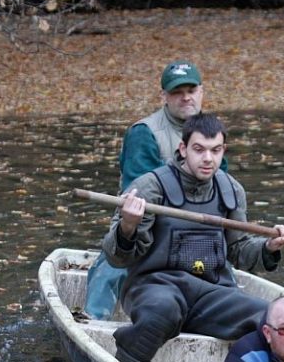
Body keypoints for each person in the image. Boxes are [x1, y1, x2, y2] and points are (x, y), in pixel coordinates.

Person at [102, 113, 284, 362]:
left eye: (215, 150)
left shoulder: (231, 190)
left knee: (270, 320)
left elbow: (240, 251)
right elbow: (118, 259)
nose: (208, 158)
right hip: (155, 286)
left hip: (212, 292)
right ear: (183, 149)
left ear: (223, 150)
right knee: (162, 312)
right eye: (199, 150)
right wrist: (128, 225)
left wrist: (270, 246)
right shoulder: (149, 187)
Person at [85, 60, 227, 319]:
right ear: (164, 96)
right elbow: (137, 194)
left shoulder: (211, 135)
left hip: (197, 237)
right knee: (112, 269)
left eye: (191, 90)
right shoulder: (145, 133)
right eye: (176, 92)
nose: (186, 98)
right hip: (146, 233)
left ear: (201, 92)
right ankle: (92, 322)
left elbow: (222, 190)